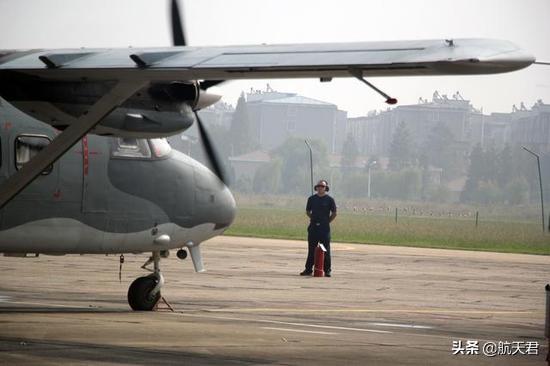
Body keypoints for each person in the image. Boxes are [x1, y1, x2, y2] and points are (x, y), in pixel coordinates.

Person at [300, 179, 337, 277]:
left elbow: (334, 213)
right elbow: (308, 211)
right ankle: (308, 269)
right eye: (319, 186)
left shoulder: (330, 200)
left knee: (325, 249)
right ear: (316, 188)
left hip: (324, 229)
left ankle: (327, 270)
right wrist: (313, 218)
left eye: (322, 186)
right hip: (313, 228)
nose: (320, 188)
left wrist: (327, 221)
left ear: (326, 188)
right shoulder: (311, 199)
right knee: (311, 249)